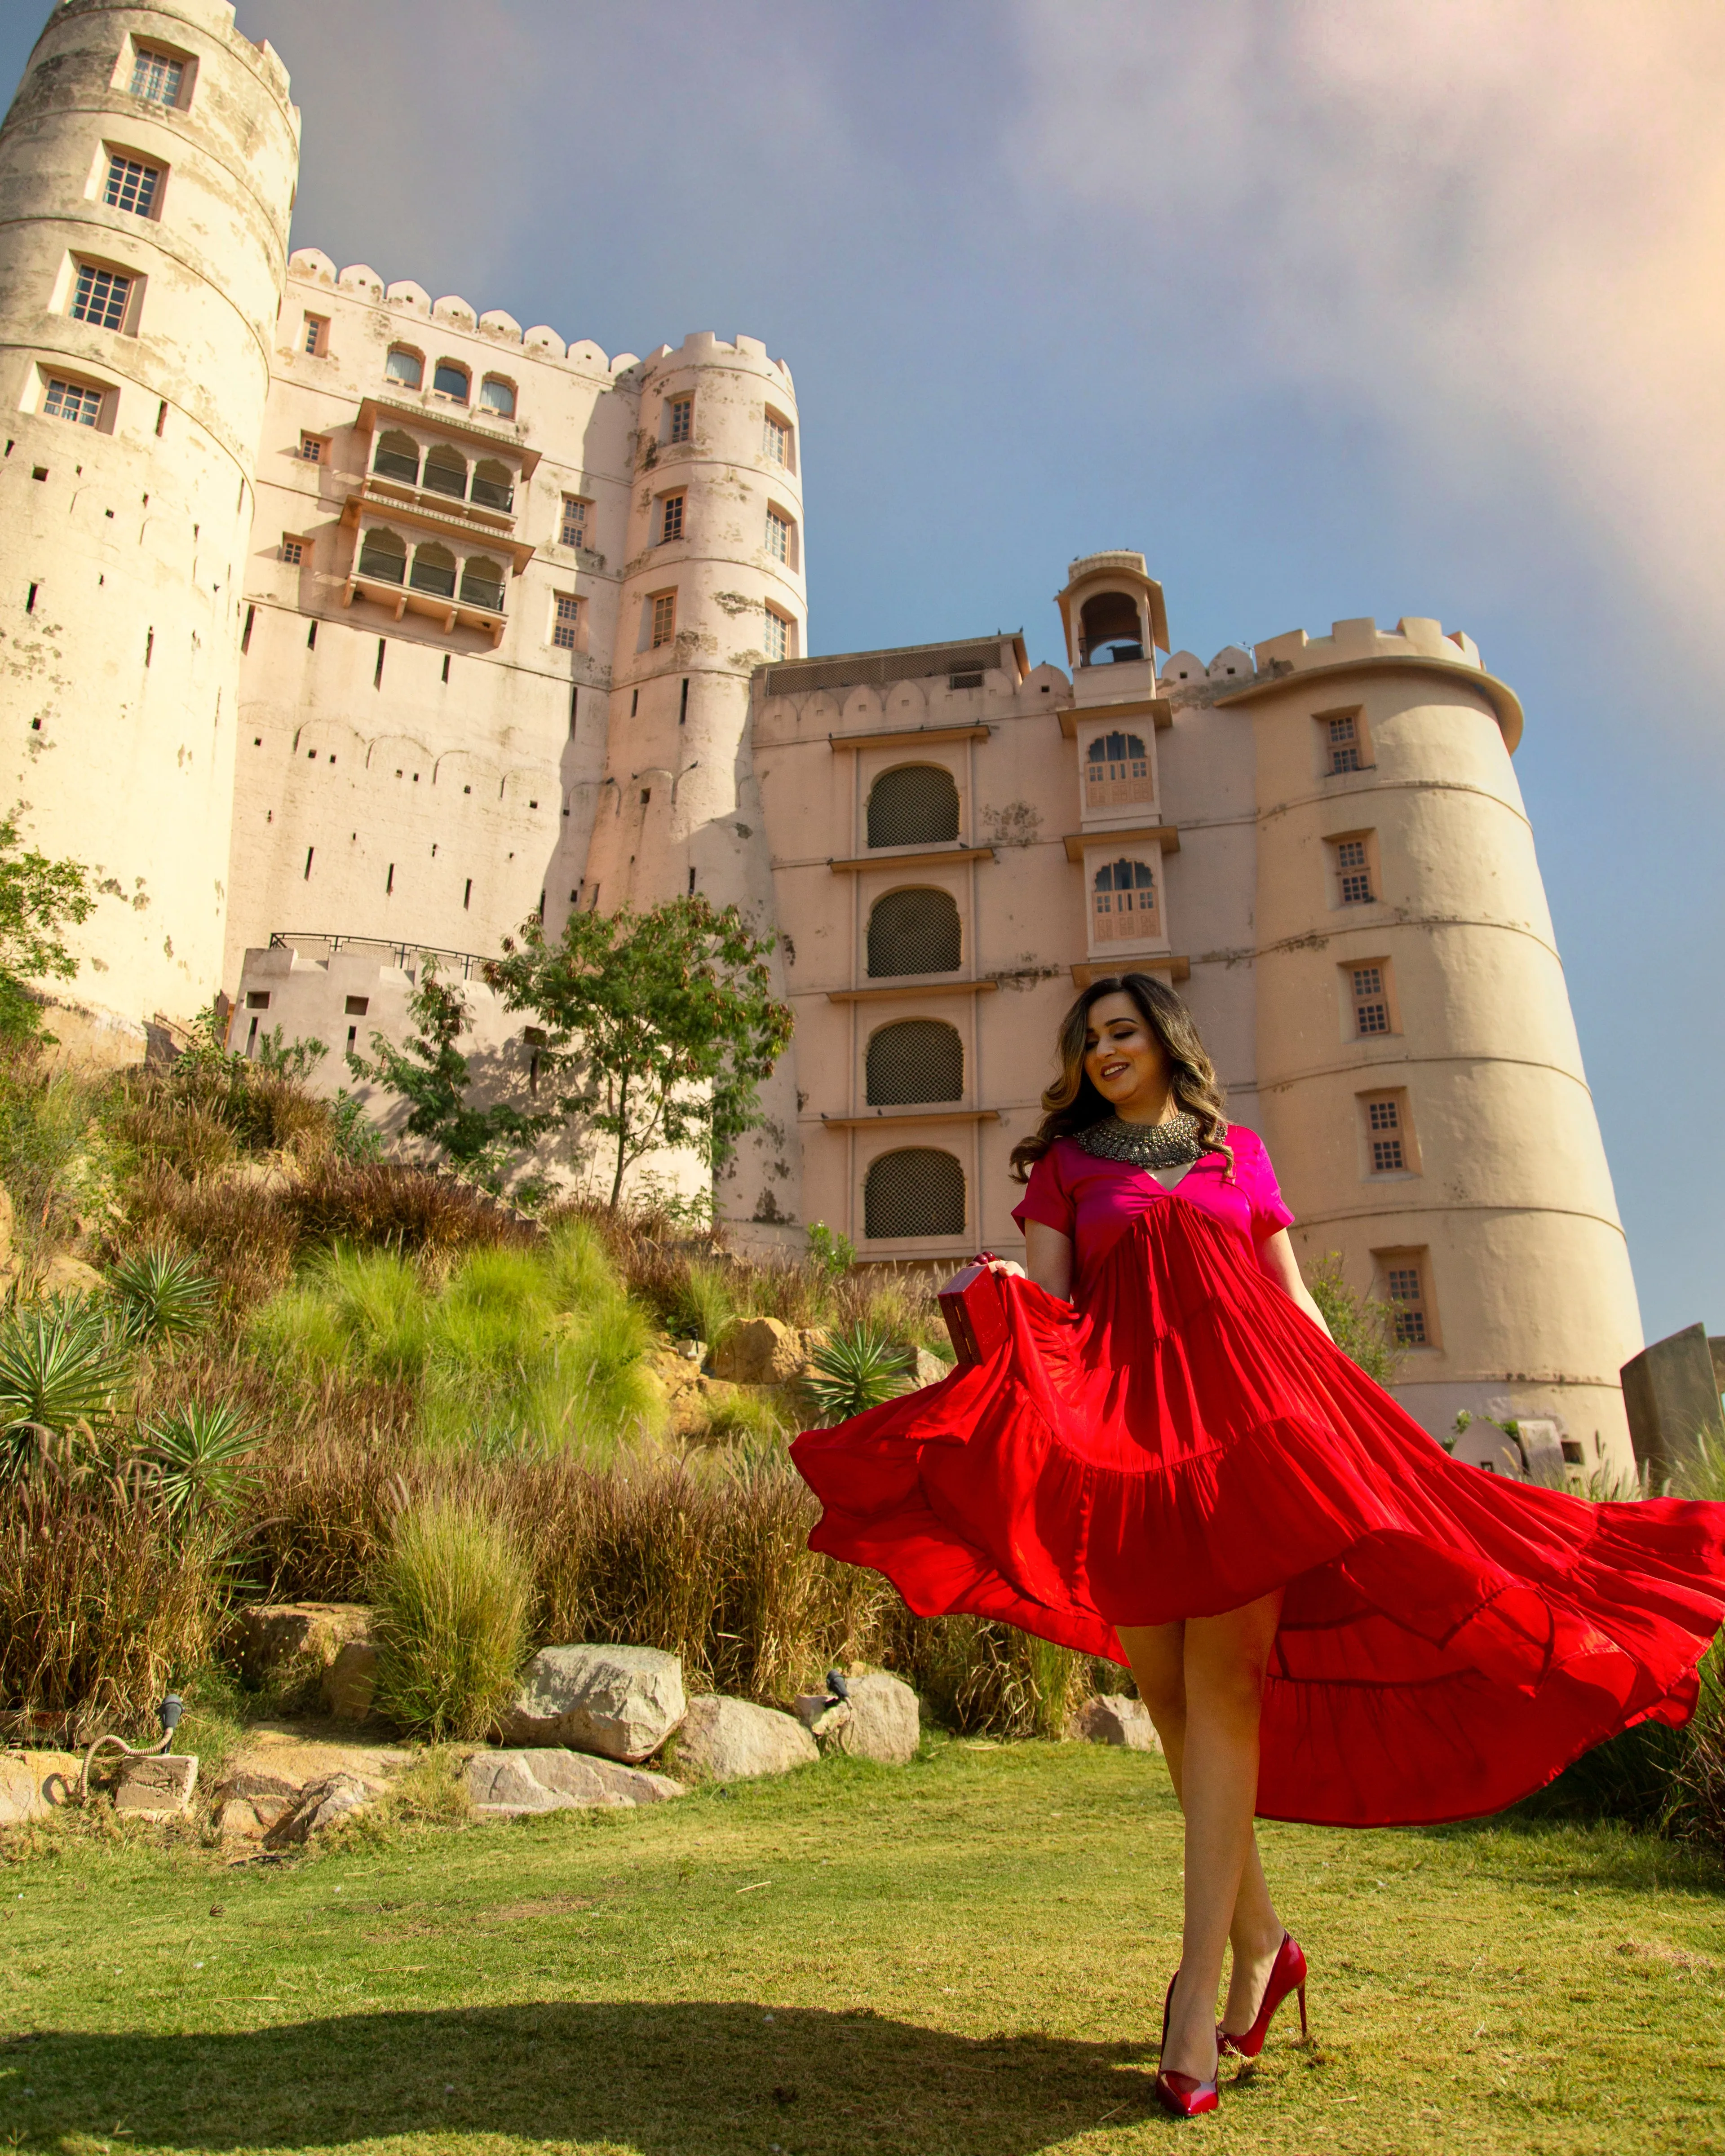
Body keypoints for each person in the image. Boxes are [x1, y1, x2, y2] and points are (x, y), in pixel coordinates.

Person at [791, 973, 1725, 2120]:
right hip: (1134, 1449)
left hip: (1254, 1438)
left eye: (1122, 1033)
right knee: (1173, 1701)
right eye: (1089, 1042)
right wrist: (998, 1291)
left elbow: (1295, 1307)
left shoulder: (1245, 1158)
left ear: (1170, 1042)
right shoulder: (1068, 1171)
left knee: (1227, 1684)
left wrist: (1368, 1431)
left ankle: (1198, 1992)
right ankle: (1268, 1943)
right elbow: (1054, 1308)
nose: (1103, 1053)